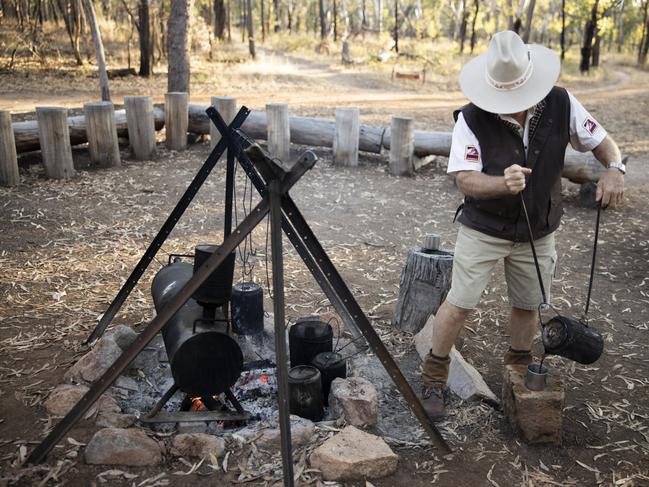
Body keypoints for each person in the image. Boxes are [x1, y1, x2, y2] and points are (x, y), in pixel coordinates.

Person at [419, 31, 625, 421]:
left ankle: (517, 370)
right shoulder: (471, 117)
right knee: (459, 305)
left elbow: (600, 140)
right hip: (483, 228)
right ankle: (433, 374)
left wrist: (615, 168)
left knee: (528, 304)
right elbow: (464, 179)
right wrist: (501, 183)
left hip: (539, 230)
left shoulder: (562, 102)